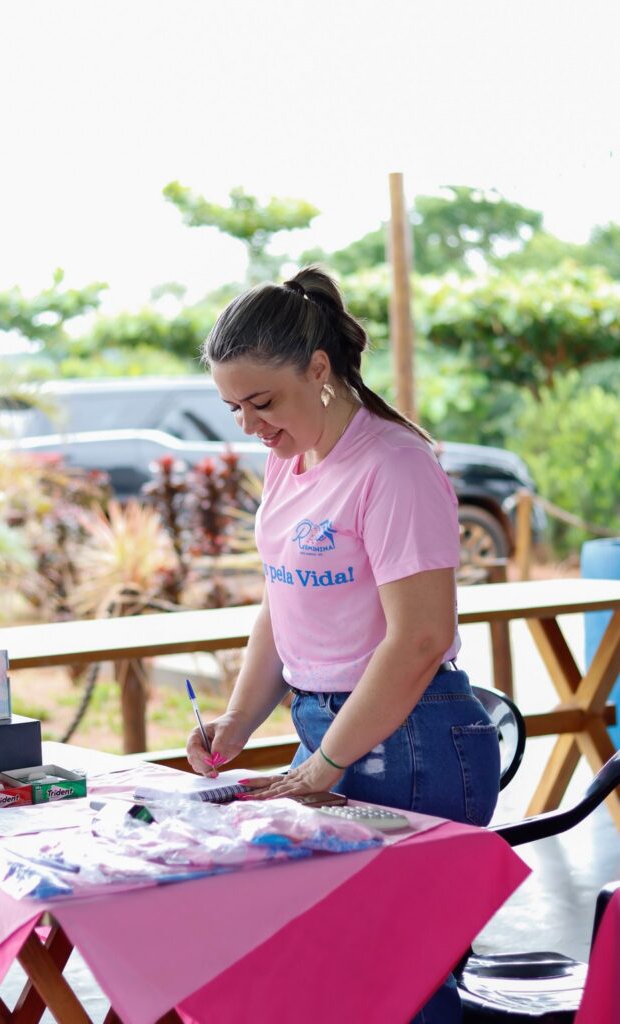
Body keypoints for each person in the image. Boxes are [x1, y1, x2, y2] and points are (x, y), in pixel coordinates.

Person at [186, 266, 500, 1023]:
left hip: (411, 738)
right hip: (332, 728)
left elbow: (420, 638)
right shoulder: (289, 459)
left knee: (402, 980)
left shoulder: (392, 466)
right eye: (234, 408)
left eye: (263, 402)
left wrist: (327, 762)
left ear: (318, 370)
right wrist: (239, 720)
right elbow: (283, 596)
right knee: (335, 970)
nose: (251, 425)